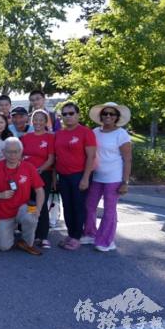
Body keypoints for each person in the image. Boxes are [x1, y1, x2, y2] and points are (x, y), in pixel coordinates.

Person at [0, 137, 44, 255]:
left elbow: (40, 190)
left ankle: (26, 243)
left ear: (21, 152)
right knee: (3, 247)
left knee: (32, 216)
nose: (12, 155)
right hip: (2, 212)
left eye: (16, 151)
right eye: (9, 151)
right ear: (4, 152)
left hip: (22, 208)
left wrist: (39, 209)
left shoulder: (29, 167)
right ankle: (5, 229)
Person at [83, 102, 132, 252]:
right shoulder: (94, 132)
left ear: (117, 117)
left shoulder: (121, 134)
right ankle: (90, 233)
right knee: (89, 206)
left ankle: (106, 241)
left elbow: (128, 159)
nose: (108, 116)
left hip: (114, 178)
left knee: (109, 210)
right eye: (105, 113)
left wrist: (125, 182)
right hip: (96, 176)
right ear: (101, 116)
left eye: (112, 114)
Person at [54, 102, 97, 251]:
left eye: (71, 113)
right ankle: (71, 234)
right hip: (63, 176)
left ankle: (77, 237)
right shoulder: (59, 133)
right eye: (64, 114)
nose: (68, 116)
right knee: (67, 206)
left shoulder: (86, 132)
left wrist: (86, 178)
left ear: (78, 115)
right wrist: (55, 178)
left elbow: (91, 157)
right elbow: (55, 157)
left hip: (79, 175)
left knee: (78, 206)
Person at [21, 110, 56, 249]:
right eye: (35, 119)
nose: (38, 122)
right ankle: (32, 233)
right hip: (27, 175)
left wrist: (39, 170)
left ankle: (43, 236)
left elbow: (51, 158)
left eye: (41, 119)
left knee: (41, 203)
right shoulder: (25, 137)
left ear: (46, 121)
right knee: (30, 203)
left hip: (43, 174)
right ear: (32, 121)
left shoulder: (50, 137)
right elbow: (21, 156)